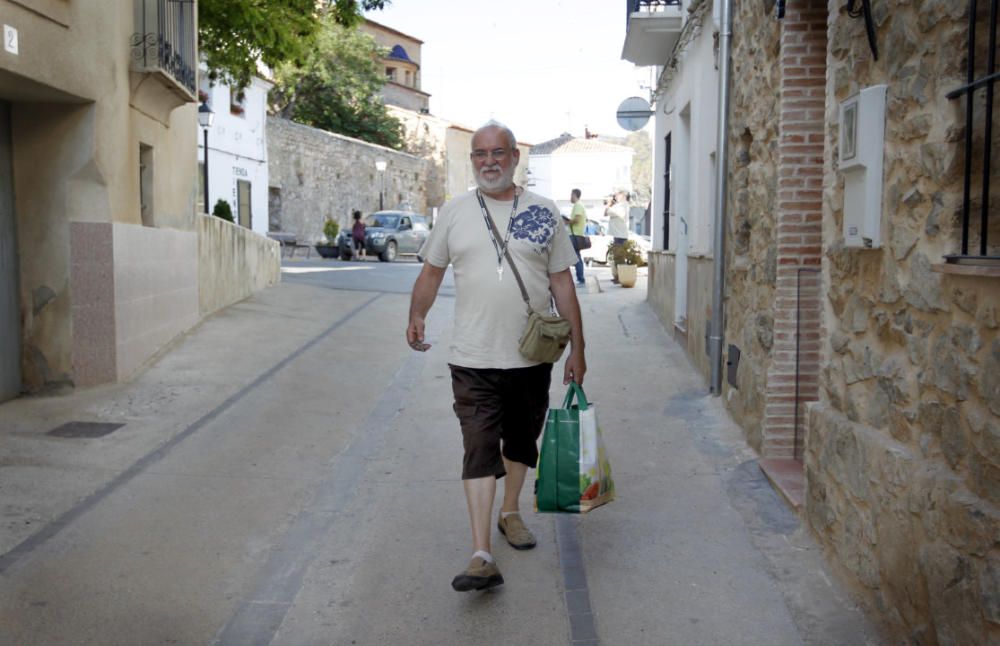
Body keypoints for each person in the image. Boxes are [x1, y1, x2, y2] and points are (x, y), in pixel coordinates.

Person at [406, 121, 586, 592]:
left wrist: (579, 350)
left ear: (513, 157)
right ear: (474, 161)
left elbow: (563, 283)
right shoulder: (455, 212)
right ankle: (481, 553)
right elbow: (431, 272)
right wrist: (416, 314)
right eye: (479, 154)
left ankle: (511, 511)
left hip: (531, 355)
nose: (489, 161)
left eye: (498, 153)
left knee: (521, 442)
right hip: (471, 356)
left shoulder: (544, 212)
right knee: (479, 446)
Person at [564, 188, 587, 287]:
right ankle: (580, 277)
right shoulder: (578, 205)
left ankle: (580, 278)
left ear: (574, 195)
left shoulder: (578, 205)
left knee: (576, 257)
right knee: (576, 257)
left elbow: (577, 219)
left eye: (571, 195)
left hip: (575, 235)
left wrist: (567, 222)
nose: (570, 197)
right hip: (576, 234)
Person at [605, 191, 630, 282]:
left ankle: (621, 278)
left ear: (623, 196)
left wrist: (609, 205)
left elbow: (608, 211)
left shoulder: (623, 205)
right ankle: (619, 277)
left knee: (620, 258)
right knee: (617, 258)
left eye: (617, 195)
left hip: (621, 235)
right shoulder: (619, 205)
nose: (615, 196)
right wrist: (610, 204)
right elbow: (605, 212)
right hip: (617, 235)